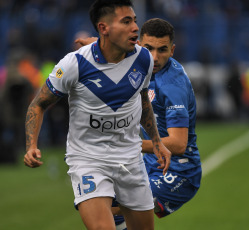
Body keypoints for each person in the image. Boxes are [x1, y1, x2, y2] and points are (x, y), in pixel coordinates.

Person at [23, 1, 171, 230]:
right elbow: (38, 104)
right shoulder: (75, 64)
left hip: (130, 158)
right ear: (103, 28)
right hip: (88, 159)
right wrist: (31, 145)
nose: (135, 27)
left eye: (134, 20)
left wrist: (157, 142)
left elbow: (142, 102)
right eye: (126, 21)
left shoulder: (143, 59)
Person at [76, 18, 202, 230]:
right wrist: (97, 45)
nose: (155, 57)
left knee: (104, 203)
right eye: (148, 48)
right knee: (110, 215)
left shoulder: (173, 86)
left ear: (172, 50)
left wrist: (127, 144)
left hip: (179, 170)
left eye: (162, 50)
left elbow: (179, 144)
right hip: (146, 163)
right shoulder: (138, 59)